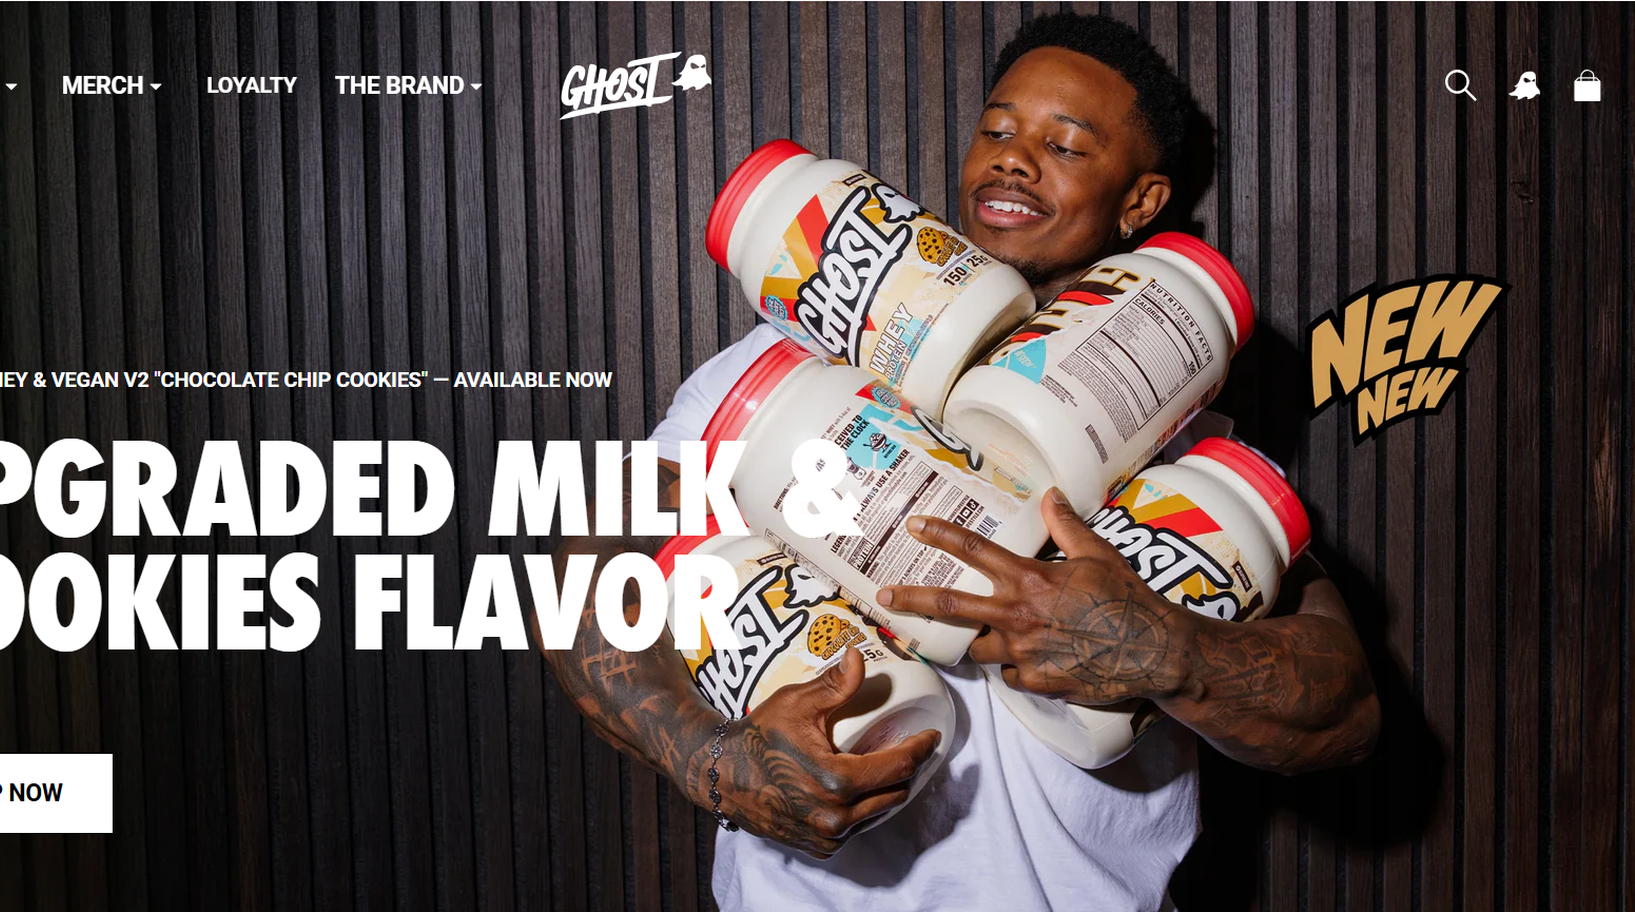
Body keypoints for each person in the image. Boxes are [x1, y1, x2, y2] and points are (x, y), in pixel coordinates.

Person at [537, 14, 1380, 911]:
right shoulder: (776, 364)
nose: (1015, 160)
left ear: (1140, 203)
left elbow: (1347, 712)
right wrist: (712, 760)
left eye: (1066, 144)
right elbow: (589, 577)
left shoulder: (1187, 449)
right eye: (999, 128)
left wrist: (1170, 651)